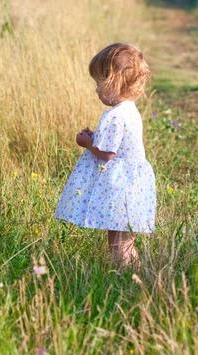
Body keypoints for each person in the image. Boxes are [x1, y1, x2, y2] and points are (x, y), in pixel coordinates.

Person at [55, 43, 156, 268]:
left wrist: (87, 143)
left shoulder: (115, 115)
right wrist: (96, 138)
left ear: (114, 81)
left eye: (99, 83)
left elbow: (107, 153)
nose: (96, 90)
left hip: (121, 187)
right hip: (132, 184)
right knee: (124, 240)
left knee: (119, 244)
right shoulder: (130, 110)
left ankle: (129, 277)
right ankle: (135, 274)